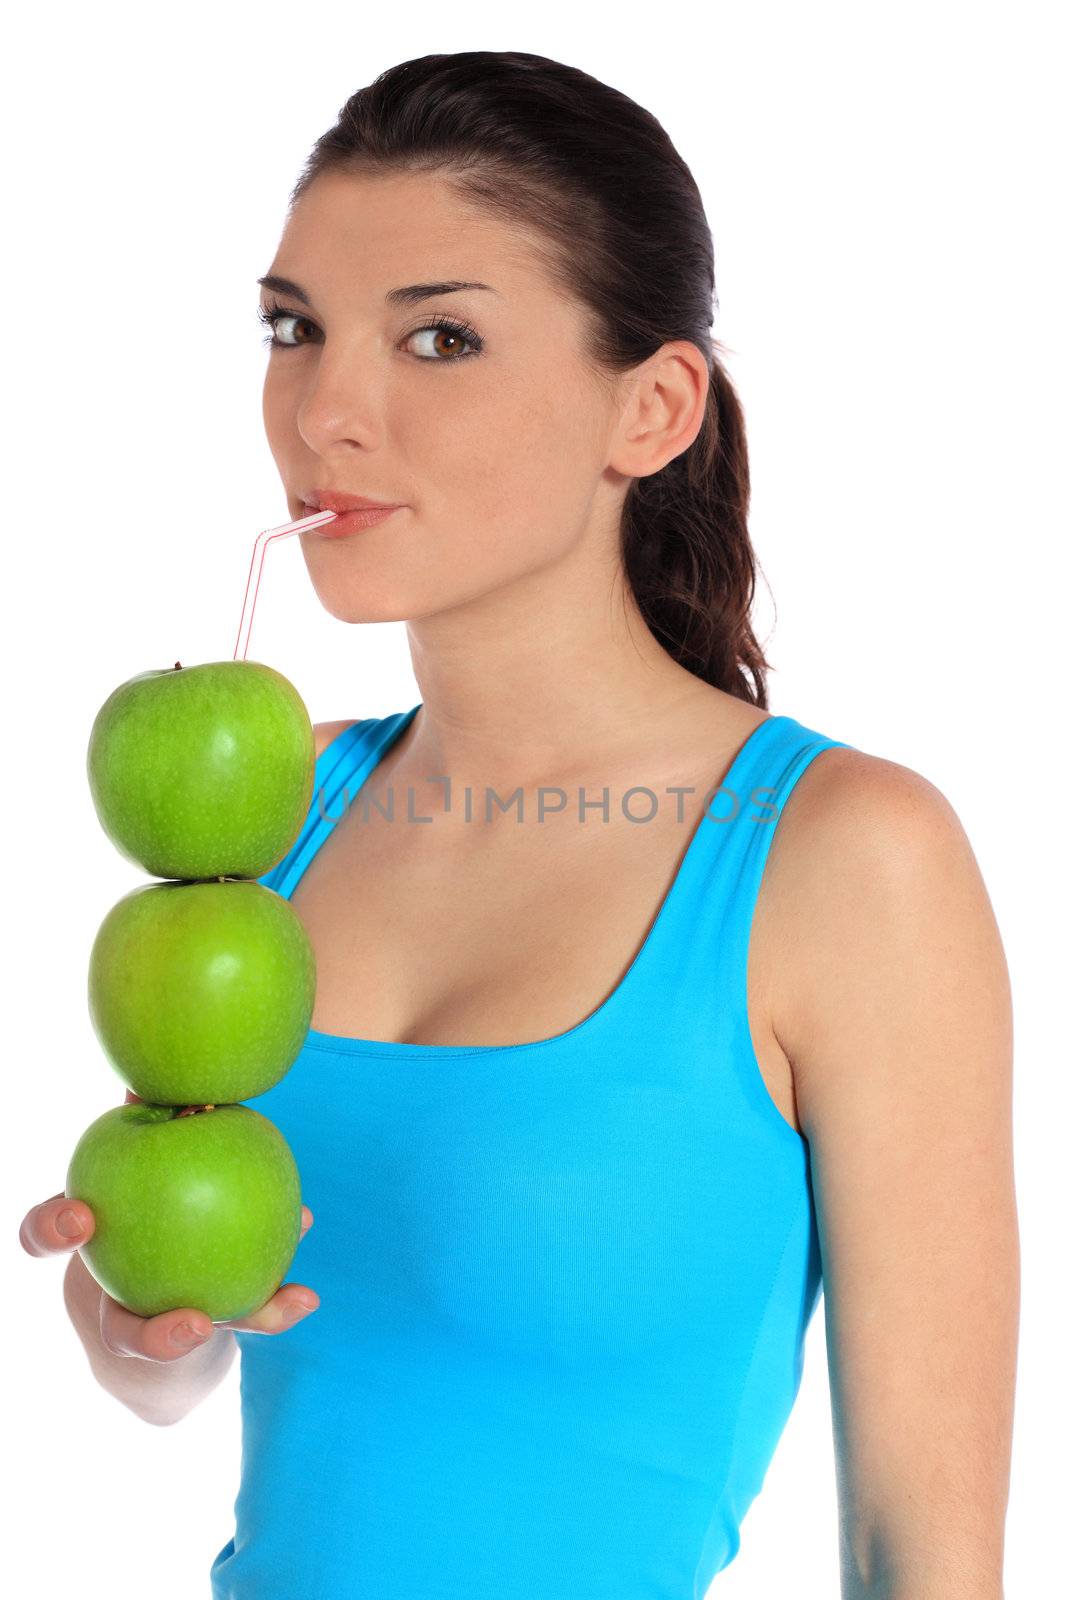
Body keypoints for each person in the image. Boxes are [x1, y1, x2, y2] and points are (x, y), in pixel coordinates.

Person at [22, 50, 1019, 1599]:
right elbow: (190, 1387)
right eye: (294, 329)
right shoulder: (269, 819)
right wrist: (139, 1325)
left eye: (440, 337)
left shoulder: (844, 856)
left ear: (651, 407)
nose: (325, 411)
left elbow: (925, 1550)